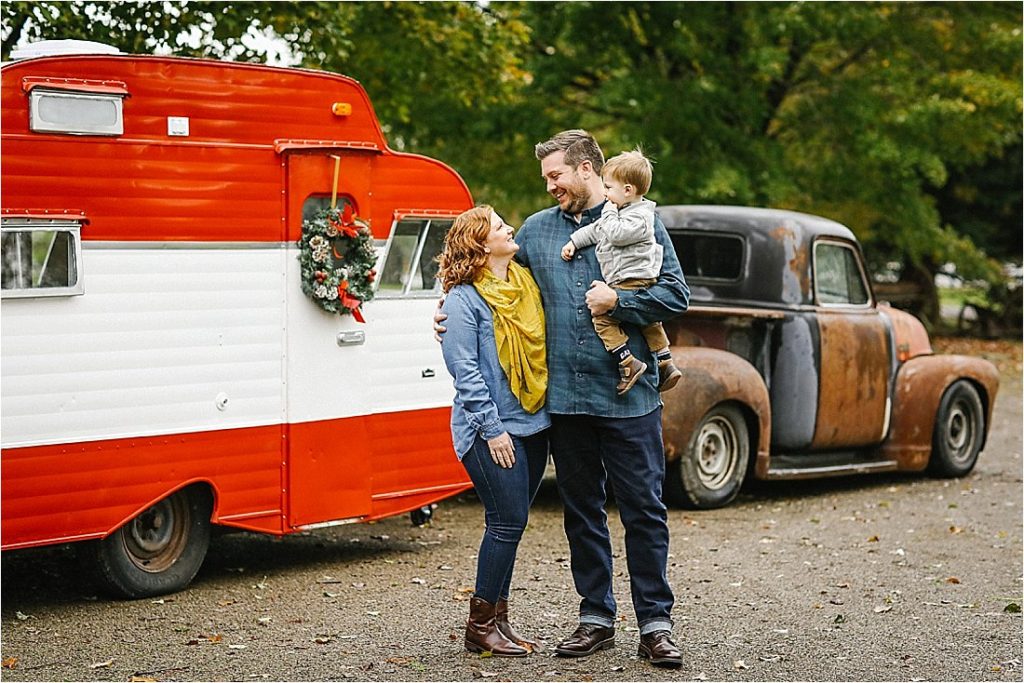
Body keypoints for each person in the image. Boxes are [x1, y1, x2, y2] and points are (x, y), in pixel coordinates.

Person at [435, 130, 690, 668]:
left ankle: (655, 625)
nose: (550, 186)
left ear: (588, 170)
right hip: (565, 405)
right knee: (582, 513)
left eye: (556, 176)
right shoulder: (536, 231)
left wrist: (620, 300)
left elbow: (676, 294)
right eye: (546, 178)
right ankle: (596, 617)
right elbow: (490, 278)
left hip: (630, 401)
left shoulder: (643, 221)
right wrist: (446, 314)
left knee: (644, 511)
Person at [436, 205, 551, 658]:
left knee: (513, 524)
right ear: (481, 246)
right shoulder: (464, 300)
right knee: (507, 521)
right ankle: (479, 625)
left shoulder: (523, 283)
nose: (509, 228)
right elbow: (464, 371)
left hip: (534, 423)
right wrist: (492, 429)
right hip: (489, 430)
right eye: (500, 226)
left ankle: (499, 623)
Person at [560, 148, 682, 395]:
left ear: (628, 191)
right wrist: (574, 242)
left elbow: (614, 233)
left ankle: (627, 361)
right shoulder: (621, 213)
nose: (604, 193)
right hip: (628, 276)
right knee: (648, 322)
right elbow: (596, 231)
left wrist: (607, 210)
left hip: (632, 276)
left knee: (602, 319)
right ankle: (665, 361)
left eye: (608, 188)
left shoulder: (640, 217)